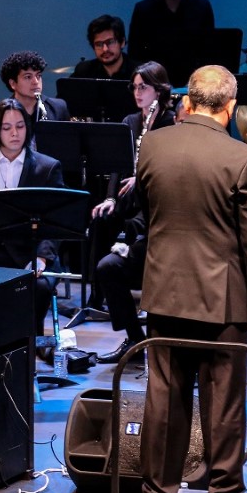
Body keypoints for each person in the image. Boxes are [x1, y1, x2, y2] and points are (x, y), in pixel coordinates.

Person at [134, 65, 247, 493]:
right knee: (223, 407)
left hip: (165, 294)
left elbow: (147, 211)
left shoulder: (152, 144)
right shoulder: (242, 157)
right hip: (222, 301)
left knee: (164, 402)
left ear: (188, 102)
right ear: (230, 106)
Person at [88, 62, 176, 362]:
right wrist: (110, 198)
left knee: (120, 258)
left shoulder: (171, 123)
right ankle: (132, 337)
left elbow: (169, 172)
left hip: (158, 211)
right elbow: (117, 163)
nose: (137, 93)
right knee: (101, 219)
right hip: (132, 202)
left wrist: (142, 177)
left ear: (159, 90)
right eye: (135, 87)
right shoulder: (131, 121)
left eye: (144, 87)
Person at [0, 99, 66, 335]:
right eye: (7, 128)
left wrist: (42, 258)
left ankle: (27, 347)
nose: (15, 133)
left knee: (38, 288)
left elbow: (55, 222)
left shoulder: (47, 167)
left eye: (20, 126)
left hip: (32, 254)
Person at [128, 0, 215, 84]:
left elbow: (208, 52)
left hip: (192, 83)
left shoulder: (201, 7)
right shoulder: (144, 10)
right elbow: (135, 55)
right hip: (155, 83)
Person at [0, 50, 68, 156]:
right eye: (28, 77)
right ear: (13, 83)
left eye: (38, 76)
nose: (35, 82)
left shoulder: (58, 108)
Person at [70, 15, 138, 80]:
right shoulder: (83, 71)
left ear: (122, 42)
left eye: (110, 42)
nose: (105, 49)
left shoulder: (139, 73)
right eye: (99, 44)